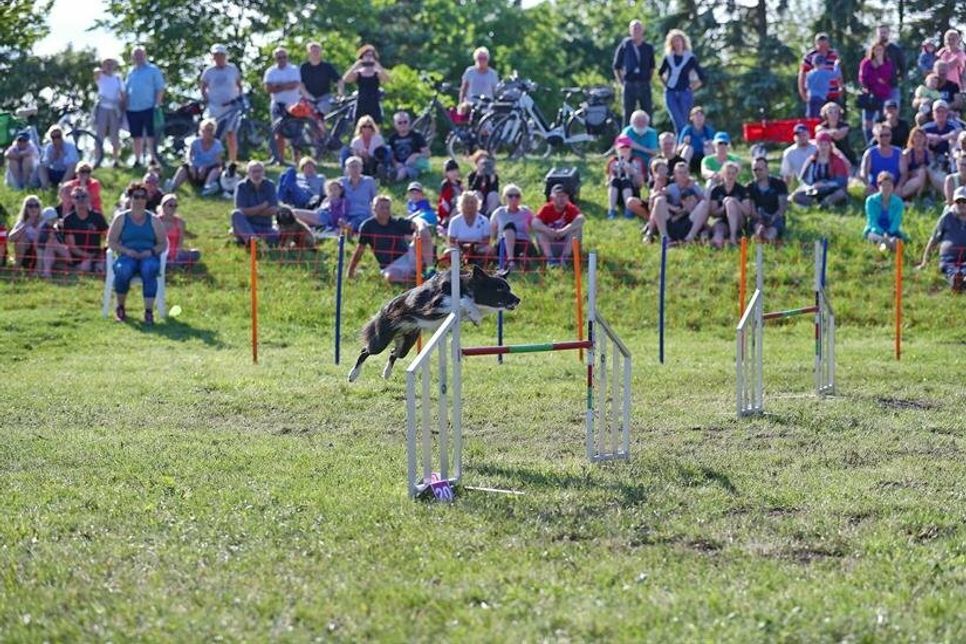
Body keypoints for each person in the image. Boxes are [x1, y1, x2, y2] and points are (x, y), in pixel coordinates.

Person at [106, 181, 168, 324]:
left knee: (150, 268)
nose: (139, 200)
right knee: (123, 269)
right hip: (127, 256)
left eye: (142, 197)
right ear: (130, 198)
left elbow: (163, 243)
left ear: (146, 200)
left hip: (148, 255)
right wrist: (126, 250)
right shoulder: (121, 218)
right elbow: (111, 242)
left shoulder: (154, 220)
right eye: (136, 197)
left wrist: (151, 251)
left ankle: (148, 312)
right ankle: (120, 308)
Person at [348, 194, 430, 283]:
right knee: (390, 277)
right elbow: (360, 250)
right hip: (390, 266)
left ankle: (430, 269)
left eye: (387, 208)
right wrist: (350, 271)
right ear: (374, 208)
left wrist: (420, 226)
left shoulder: (397, 222)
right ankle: (420, 279)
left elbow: (416, 225)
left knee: (423, 233)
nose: (385, 210)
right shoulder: (367, 226)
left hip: (408, 256)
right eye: (382, 207)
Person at [201, 43, 243, 164]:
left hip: (231, 106)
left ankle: (233, 160)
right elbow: (203, 87)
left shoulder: (232, 69)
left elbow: (239, 84)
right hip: (215, 107)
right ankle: (210, 159)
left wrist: (239, 97)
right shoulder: (208, 71)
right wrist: (207, 99)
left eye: (221, 55)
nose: (218, 57)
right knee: (211, 133)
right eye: (216, 55)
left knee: (231, 133)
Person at [648, 161, 709, 243]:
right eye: (680, 173)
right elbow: (653, 198)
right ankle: (665, 237)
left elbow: (704, 203)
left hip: (690, 220)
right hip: (673, 220)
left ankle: (689, 238)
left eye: (685, 172)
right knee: (659, 200)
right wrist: (672, 207)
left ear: (689, 173)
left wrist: (694, 199)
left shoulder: (695, 186)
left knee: (704, 204)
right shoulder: (671, 188)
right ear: (675, 174)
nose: (683, 175)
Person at [124, 46, 165, 167]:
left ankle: (153, 158)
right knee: (136, 135)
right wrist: (124, 105)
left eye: (140, 54)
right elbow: (126, 90)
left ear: (145, 55)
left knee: (150, 134)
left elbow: (160, 88)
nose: (138, 57)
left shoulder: (153, 70)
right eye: (136, 55)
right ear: (132, 57)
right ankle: (137, 160)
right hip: (132, 108)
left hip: (149, 106)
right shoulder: (131, 72)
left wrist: (157, 104)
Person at [918, 185, 966, 290]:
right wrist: (925, 261)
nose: (961, 204)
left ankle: (961, 280)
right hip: (949, 259)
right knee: (950, 269)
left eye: (964, 201)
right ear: (954, 202)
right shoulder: (946, 218)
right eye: (959, 201)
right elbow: (934, 239)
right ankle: (956, 280)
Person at [658, 29, 705, 134]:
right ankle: (683, 141)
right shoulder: (668, 57)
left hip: (685, 93)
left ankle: (682, 143)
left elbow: (702, 77)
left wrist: (693, 87)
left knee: (683, 120)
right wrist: (666, 85)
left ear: (683, 42)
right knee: (677, 120)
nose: (677, 43)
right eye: (674, 41)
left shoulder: (690, 57)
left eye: (679, 40)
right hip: (671, 93)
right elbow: (660, 73)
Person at [612, 20, 656, 125]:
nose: (636, 31)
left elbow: (652, 67)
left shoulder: (648, 48)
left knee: (647, 113)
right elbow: (616, 66)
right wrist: (621, 82)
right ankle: (626, 139)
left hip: (644, 83)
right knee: (628, 114)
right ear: (630, 31)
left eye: (638, 28)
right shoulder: (624, 46)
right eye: (634, 28)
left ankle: (648, 139)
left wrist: (647, 80)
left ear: (643, 30)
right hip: (629, 84)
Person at [166, 118, 224, 196]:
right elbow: (188, 156)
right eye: (206, 130)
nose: (209, 132)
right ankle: (173, 185)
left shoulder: (217, 144)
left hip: (208, 171)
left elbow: (218, 161)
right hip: (195, 171)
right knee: (184, 167)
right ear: (201, 131)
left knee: (216, 169)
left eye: (211, 130)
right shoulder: (195, 143)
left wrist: (205, 167)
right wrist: (191, 165)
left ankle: (208, 187)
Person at [264, 47, 302, 164]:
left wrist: (278, 86)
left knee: (296, 133)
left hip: (294, 104)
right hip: (277, 105)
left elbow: (295, 84)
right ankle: (280, 158)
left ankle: (297, 160)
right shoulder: (271, 71)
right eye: (279, 57)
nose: (282, 59)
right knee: (278, 132)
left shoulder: (294, 69)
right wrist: (285, 85)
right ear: (275, 59)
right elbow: (268, 88)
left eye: (284, 57)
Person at [532, 185, 584, 266]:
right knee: (540, 232)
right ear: (552, 198)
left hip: (566, 244)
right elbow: (534, 223)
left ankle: (564, 259)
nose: (561, 199)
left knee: (577, 230)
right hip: (550, 244)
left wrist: (565, 230)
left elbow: (581, 219)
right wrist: (549, 231)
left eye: (564, 196)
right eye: (558, 196)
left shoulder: (570, 207)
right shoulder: (546, 208)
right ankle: (551, 260)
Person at [793, 131, 849, 207]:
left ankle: (825, 203)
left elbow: (842, 181)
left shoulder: (837, 161)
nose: (823, 147)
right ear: (817, 145)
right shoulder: (811, 160)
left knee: (840, 193)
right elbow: (804, 180)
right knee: (796, 195)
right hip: (814, 189)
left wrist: (825, 184)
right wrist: (811, 186)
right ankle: (814, 202)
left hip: (831, 189)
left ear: (830, 145)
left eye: (826, 145)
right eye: (820, 144)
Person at [61, 185, 109, 273]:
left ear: (89, 198)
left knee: (102, 269)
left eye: (83, 196)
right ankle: (71, 267)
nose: (80, 199)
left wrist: (103, 251)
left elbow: (108, 236)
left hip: (96, 253)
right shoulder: (68, 219)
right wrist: (88, 256)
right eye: (77, 197)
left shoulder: (97, 217)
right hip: (77, 255)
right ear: (72, 200)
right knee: (85, 268)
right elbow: (72, 246)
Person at [230, 160, 279, 245]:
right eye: (254, 171)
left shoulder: (270, 185)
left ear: (264, 172)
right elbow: (241, 211)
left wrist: (251, 211)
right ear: (248, 173)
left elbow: (274, 210)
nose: (257, 174)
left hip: (265, 227)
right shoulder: (241, 186)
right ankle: (252, 242)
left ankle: (252, 240)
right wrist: (262, 207)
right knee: (235, 214)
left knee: (280, 233)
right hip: (247, 226)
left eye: (259, 171)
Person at [489, 183, 534, 269]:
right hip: (503, 244)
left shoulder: (526, 211)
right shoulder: (498, 212)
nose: (514, 198)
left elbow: (534, 227)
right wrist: (491, 246)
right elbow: (492, 234)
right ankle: (511, 260)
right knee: (509, 227)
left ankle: (522, 260)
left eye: (517, 196)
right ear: (505, 198)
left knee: (525, 249)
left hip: (522, 242)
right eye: (510, 196)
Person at [858, 42, 896, 142]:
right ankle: (869, 142)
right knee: (868, 122)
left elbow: (886, 77)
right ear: (873, 50)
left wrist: (879, 66)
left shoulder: (887, 63)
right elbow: (864, 79)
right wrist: (876, 78)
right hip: (870, 95)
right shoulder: (866, 63)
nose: (878, 52)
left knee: (882, 121)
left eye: (881, 50)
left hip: (884, 94)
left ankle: (882, 141)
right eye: (876, 49)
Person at [343, 44, 390, 124]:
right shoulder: (358, 73)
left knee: (376, 126)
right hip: (361, 102)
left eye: (371, 55)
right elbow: (346, 79)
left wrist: (378, 66)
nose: (368, 58)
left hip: (374, 103)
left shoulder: (377, 73)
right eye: (366, 55)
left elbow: (386, 79)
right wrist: (356, 65)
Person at [707, 161, 749, 248]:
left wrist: (735, 202)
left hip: (739, 221)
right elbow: (713, 213)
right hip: (723, 221)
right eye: (728, 173)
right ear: (723, 174)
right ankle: (716, 246)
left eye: (733, 173)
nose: (730, 176)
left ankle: (733, 237)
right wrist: (724, 207)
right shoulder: (716, 190)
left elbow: (748, 212)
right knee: (718, 232)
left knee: (730, 202)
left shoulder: (742, 190)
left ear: (736, 174)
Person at [746, 156, 788, 241]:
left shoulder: (779, 184)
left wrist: (772, 219)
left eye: (760, 169)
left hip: (776, 217)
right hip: (757, 219)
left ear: (767, 169)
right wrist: (760, 221)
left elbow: (782, 208)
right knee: (758, 233)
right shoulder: (749, 187)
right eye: (755, 170)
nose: (757, 172)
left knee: (769, 236)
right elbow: (751, 210)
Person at [863, 171, 906, 251]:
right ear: (878, 186)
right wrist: (882, 233)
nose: (886, 188)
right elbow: (872, 221)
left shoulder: (898, 202)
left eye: (889, 185)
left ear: (893, 186)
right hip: (875, 231)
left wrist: (889, 233)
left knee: (897, 240)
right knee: (875, 237)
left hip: (892, 231)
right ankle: (884, 244)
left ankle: (888, 246)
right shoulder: (870, 201)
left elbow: (897, 221)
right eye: (884, 185)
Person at [94, 57, 125, 167]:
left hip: (114, 108)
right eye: (107, 64)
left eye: (111, 64)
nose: (109, 66)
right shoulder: (100, 76)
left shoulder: (117, 78)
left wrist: (123, 107)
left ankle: (115, 159)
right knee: (99, 134)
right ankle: (97, 159)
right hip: (102, 107)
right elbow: (96, 73)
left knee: (114, 135)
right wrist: (103, 69)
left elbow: (122, 94)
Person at [447, 191, 493, 265]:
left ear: (477, 204)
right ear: (461, 204)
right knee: (448, 252)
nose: (469, 205)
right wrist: (462, 249)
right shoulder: (455, 221)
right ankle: (456, 271)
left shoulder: (484, 220)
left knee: (489, 250)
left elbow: (486, 241)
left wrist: (473, 248)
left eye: (472, 202)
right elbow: (451, 242)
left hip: (478, 248)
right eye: (466, 202)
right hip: (460, 248)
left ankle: (481, 270)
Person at [799, 33, 843, 107]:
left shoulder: (834, 55)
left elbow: (838, 72)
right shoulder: (810, 56)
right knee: (816, 116)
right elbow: (803, 75)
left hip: (833, 93)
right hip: (816, 95)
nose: (823, 49)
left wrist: (841, 86)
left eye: (825, 46)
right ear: (816, 44)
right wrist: (803, 92)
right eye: (820, 46)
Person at [605, 136, 645, 219]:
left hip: (632, 194)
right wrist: (614, 174)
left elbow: (640, 184)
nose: (624, 150)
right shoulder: (612, 161)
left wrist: (632, 171)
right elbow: (607, 182)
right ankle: (611, 210)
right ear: (616, 148)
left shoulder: (637, 161)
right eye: (621, 147)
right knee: (615, 181)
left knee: (626, 181)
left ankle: (629, 210)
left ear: (630, 148)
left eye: (627, 147)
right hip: (617, 193)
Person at [299, 41, 343, 115]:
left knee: (320, 112)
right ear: (308, 53)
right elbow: (300, 85)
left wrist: (340, 94)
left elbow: (339, 80)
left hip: (325, 98)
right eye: (313, 51)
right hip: (308, 98)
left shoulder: (327, 67)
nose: (315, 53)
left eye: (317, 51)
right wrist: (310, 98)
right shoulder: (303, 67)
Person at [158, 193, 200, 267]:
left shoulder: (180, 222)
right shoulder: (156, 220)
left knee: (196, 253)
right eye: (170, 205)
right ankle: (177, 264)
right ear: (163, 206)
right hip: (160, 252)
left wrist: (176, 254)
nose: (173, 208)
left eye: (175, 206)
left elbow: (180, 241)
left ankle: (173, 263)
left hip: (175, 252)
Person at [860, 123, 903, 194]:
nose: (885, 138)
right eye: (881, 136)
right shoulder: (870, 153)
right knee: (867, 190)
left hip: (895, 186)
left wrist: (899, 186)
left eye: (887, 135)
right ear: (876, 137)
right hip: (876, 187)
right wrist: (868, 184)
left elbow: (904, 174)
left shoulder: (898, 152)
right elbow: (863, 173)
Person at [386, 111, 429, 182]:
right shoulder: (392, 138)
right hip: (398, 165)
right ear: (395, 124)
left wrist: (415, 155)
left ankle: (392, 180)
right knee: (391, 167)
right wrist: (395, 163)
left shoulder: (416, 135)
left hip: (413, 164)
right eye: (399, 122)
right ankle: (388, 176)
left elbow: (427, 154)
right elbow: (391, 155)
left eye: (405, 122)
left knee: (404, 171)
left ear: (409, 122)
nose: (403, 124)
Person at [340, 156, 378, 231]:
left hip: (363, 213)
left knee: (360, 221)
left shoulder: (369, 181)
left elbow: (374, 199)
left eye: (357, 166)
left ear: (361, 168)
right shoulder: (342, 182)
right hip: (347, 213)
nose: (355, 169)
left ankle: (349, 228)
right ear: (347, 169)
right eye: (352, 167)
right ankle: (347, 227)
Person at [8, 195, 44, 270]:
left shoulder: (44, 221)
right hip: (26, 254)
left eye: (36, 205)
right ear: (26, 208)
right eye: (30, 206)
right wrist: (25, 226)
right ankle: (18, 265)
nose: (34, 208)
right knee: (22, 237)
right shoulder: (22, 222)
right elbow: (10, 238)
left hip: (41, 253)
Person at [816, 101, 857, 167]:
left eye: (836, 112)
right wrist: (832, 132)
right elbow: (818, 131)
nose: (833, 115)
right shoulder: (821, 126)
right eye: (830, 112)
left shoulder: (845, 126)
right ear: (825, 114)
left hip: (846, 154)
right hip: (827, 156)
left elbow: (837, 137)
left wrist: (827, 132)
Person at [875, 24, 907, 106]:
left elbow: (903, 67)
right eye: (881, 33)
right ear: (877, 34)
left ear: (889, 33)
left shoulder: (896, 50)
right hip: (876, 88)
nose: (882, 35)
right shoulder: (873, 50)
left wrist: (897, 78)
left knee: (893, 112)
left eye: (884, 32)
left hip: (892, 87)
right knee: (877, 117)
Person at [677, 106, 714, 173]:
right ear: (691, 118)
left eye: (701, 115)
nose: (699, 118)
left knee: (708, 148)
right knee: (688, 148)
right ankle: (683, 172)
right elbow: (678, 149)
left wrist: (711, 144)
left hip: (703, 158)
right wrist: (685, 143)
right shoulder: (687, 130)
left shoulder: (708, 130)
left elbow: (715, 147)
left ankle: (711, 172)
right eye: (696, 115)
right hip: (691, 159)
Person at [900, 126, 934, 200]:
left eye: (921, 136)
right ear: (912, 139)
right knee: (922, 171)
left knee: (926, 171)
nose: (918, 139)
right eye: (916, 136)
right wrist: (915, 172)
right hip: (910, 181)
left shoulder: (928, 153)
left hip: (925, 181)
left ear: (925, 138)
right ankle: (918, 197)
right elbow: (903, 173)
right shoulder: (907, 153)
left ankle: (922, 195)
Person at [780, 123, 817, 188]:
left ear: (809, 135)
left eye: (804, 135)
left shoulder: (817, 146)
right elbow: (787, 175)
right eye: (799, 135)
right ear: (794, 137)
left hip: (821, 181)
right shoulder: (789, 153)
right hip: (804, 185)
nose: (801, 137)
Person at [466, 150, 500, 215]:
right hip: (478, 202)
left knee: (494, 195)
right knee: (477, 193)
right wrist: (478, 176)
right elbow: (471, 191)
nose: (484, 164)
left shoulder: (493, 175)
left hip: (489, 202)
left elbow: (495, 191)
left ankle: (489, 214)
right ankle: (477, 214)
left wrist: (492, 179)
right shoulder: (472, 175)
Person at [437, 158, 462, 230]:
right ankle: (448, 223)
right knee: (456, 209)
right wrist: (446, 215)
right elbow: (444, 201)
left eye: (455, 170)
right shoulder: (446, 184)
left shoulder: (459, 183)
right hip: (448, 209)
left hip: (459, 205)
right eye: (451, 171)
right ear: (446, 173)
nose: (454, 173)